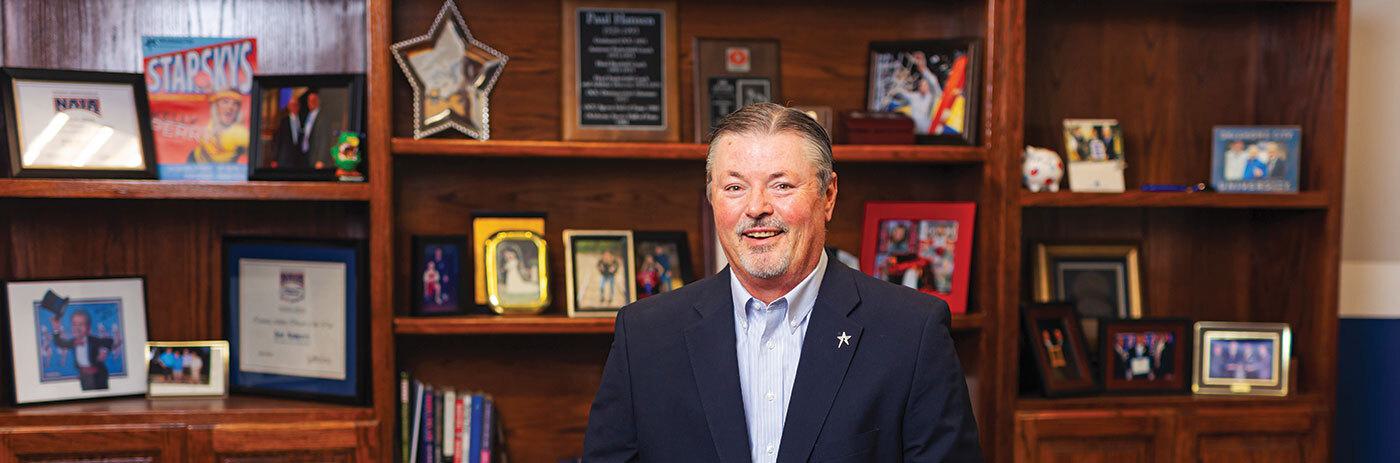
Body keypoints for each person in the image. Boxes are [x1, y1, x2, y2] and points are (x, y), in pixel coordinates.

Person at [584, 103, 981, 462]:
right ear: (712, 199)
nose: (756, 208)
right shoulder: (644, 335)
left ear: (828, 196)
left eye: (782, 185)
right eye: (735, 187)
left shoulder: (912, 332)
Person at [50, 310, 119, 391]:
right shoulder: (73, 342)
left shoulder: (93, 341)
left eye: (81, 324)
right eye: (74, 324)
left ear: (88, 328)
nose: (77, 328)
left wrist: (104, 350)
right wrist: (56, 328)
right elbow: (59, 343)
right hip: (84, 376)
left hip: (98, 376)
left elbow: (108, 341)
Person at [189, 90, 248, 164]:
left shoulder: (242, 133)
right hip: (195, 163)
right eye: (225, 102)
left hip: (224, 171)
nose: (230, 107)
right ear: (216, 106)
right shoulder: (206, 123)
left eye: (235, 103)